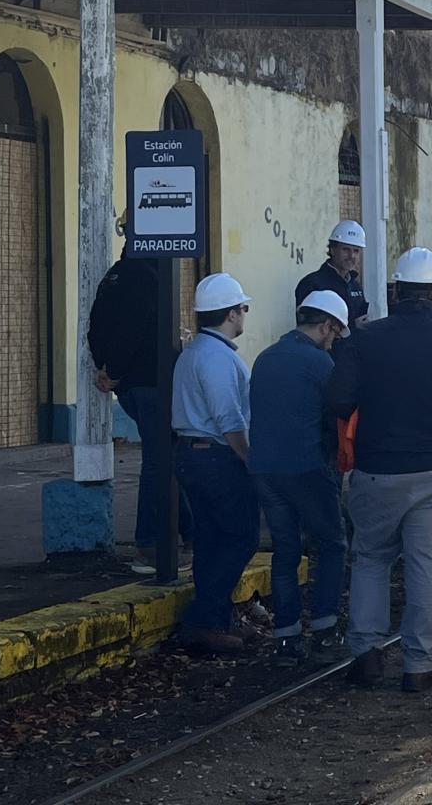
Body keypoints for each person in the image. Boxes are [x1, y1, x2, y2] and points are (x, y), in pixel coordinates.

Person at [326, 247, 432, 693]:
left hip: (377, 472)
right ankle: (419, 665)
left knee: (371, 559)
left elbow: (338, 400)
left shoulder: (363, 340)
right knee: (425, 566)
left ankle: (365, 655)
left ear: (396, 291)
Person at [248, 290, 349, 667]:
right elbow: (336, 413)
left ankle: (286, 639)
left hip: (264, 469)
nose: (334, 341)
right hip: (306, 467)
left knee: (286, 550)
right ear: (326, 326)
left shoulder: (264, 358)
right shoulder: (320, 364)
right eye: (335, 334)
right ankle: (324, 631)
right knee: (332, 544)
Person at [88, 244, 193, 575]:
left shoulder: (116, 275)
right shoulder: (146, 278)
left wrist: (108, 370)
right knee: (160, 461)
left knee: (168, 459)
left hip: (133, 385)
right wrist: (114, 370)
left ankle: (193, 533)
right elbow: (131, 331)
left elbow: (96, 328)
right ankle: (148, 545)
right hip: (150, 382)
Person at [169, 273, 259, 655]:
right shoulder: (218, 359)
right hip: (217, 457)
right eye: (243, 308)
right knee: (241, 537)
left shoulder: (194, 352)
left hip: (192, 454)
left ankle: (216, 620)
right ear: (231, 313)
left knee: (210, 539)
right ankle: (204, 619)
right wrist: (251, 461)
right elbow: (230, 420)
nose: (244, 315)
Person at [295, 221, 369, 327]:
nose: (351, 256)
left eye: (356, 251)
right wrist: (353, 327)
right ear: (332, 250)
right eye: (346, 249)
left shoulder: (355, 286)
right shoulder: (312, 284)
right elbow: (309, 329)